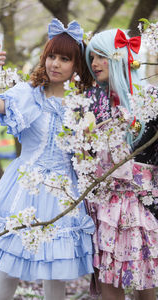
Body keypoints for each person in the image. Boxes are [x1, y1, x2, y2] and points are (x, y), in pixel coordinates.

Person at [0, 18, 95, 300]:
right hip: (23, 188)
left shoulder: (83, 105)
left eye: (65, 58)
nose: (55, 63)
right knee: (8, 271)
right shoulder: (29, 94)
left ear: (76, 65)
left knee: (55, 276)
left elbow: (87, 155)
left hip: (63, 194)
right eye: (51, 56)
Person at [85, 28, 158, 300]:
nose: (94, 64)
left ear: (119, 58)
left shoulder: (149, 98)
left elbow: (149, 146)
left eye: (101, 56)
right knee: (108, 282)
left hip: (143, 203)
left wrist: (132, 122)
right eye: (92, 57)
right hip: (105, 207)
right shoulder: (94, 101)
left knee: (146, 284)